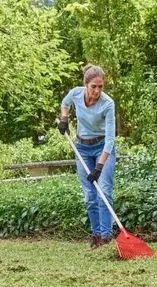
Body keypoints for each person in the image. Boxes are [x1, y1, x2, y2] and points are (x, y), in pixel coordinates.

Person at [58, 64, 116, 250]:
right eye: (94, 87)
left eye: (101, 86)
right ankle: (96, 235)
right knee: (90, 195)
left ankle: (106, 237)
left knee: (104, 191)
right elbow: (65, 103)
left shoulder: (107, 104)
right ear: (86, 85)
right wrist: (64, 119)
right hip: (82, 148)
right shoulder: (75, 93)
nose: (97, 90)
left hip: (102, 149)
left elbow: (110, 140)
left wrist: (99, 167)